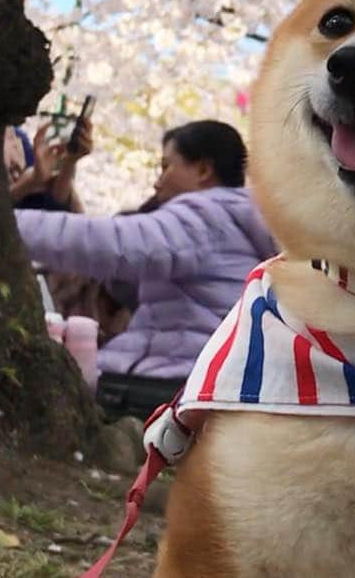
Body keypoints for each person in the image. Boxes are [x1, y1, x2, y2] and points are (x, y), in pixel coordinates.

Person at [15, 119, 277, 418]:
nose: (158, 181)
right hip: (204, 381)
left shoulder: (204, 217)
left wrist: (4, 221)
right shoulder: (238, 222)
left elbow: (110, 244)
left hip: (168, 382)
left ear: (204, 171)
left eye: (166, 166)